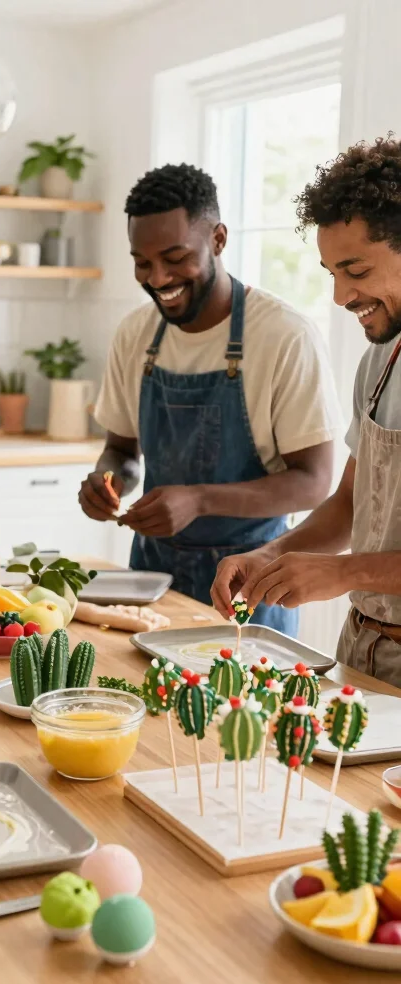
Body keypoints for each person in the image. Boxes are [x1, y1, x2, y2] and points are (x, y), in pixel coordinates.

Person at [79, 162, 343, 635]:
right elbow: (122, 451)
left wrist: (199, 499)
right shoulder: (136, 333)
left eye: (175, 257)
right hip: (149, 583)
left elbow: (314, 482)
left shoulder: (284, 336)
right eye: (142, 261)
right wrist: (108, 480)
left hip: (249, 584)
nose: (158, 277)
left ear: (218, 239)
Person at [212, 136, 401, 684]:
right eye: (331, 273)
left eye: (357, 272)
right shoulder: (380, 361)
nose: (341, 297)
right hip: (364, 649)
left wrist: (344, 572)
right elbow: (348, 503)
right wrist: (270, 555)